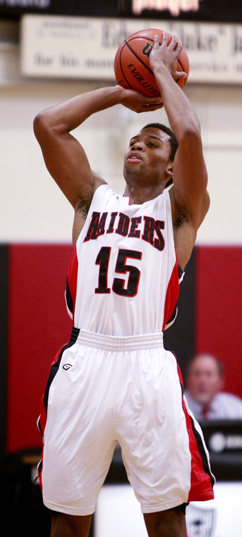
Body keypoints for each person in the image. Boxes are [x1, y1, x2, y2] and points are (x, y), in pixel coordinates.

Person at [34, 33, 214, 537]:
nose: (137, 144)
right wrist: (118, 91)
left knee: (165, 518)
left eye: (152, 143)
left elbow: (192, 134)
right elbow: (48, 125)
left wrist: (160, 72)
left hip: (145, 365)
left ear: (172, 168)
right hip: (83, 361)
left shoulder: (179, 211)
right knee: (68, 517)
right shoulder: (92, 199)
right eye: (135, 140)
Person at [185, 352, 242, 421]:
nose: (202, 381)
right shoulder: (176, 407)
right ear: (188, 379)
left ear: (220, 381)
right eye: (197, 374)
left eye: (208, 374)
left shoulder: (236, 409)